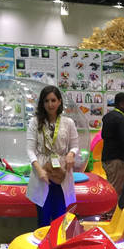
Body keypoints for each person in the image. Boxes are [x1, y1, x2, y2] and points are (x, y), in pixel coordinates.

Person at [26, 85, 81, 227]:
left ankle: (58, 242)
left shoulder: (68, 122)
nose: (50, 104)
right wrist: (39, 170)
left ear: (59, 101)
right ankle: (43, 241)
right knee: (43, 218)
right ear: (42, 103)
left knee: (60, 217)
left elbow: (75, 145)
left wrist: (71, 154)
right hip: (42, 172)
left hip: (61, 172)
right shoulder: (35, 122)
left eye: (53, 100)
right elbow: (30, 150)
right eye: (46, 101)